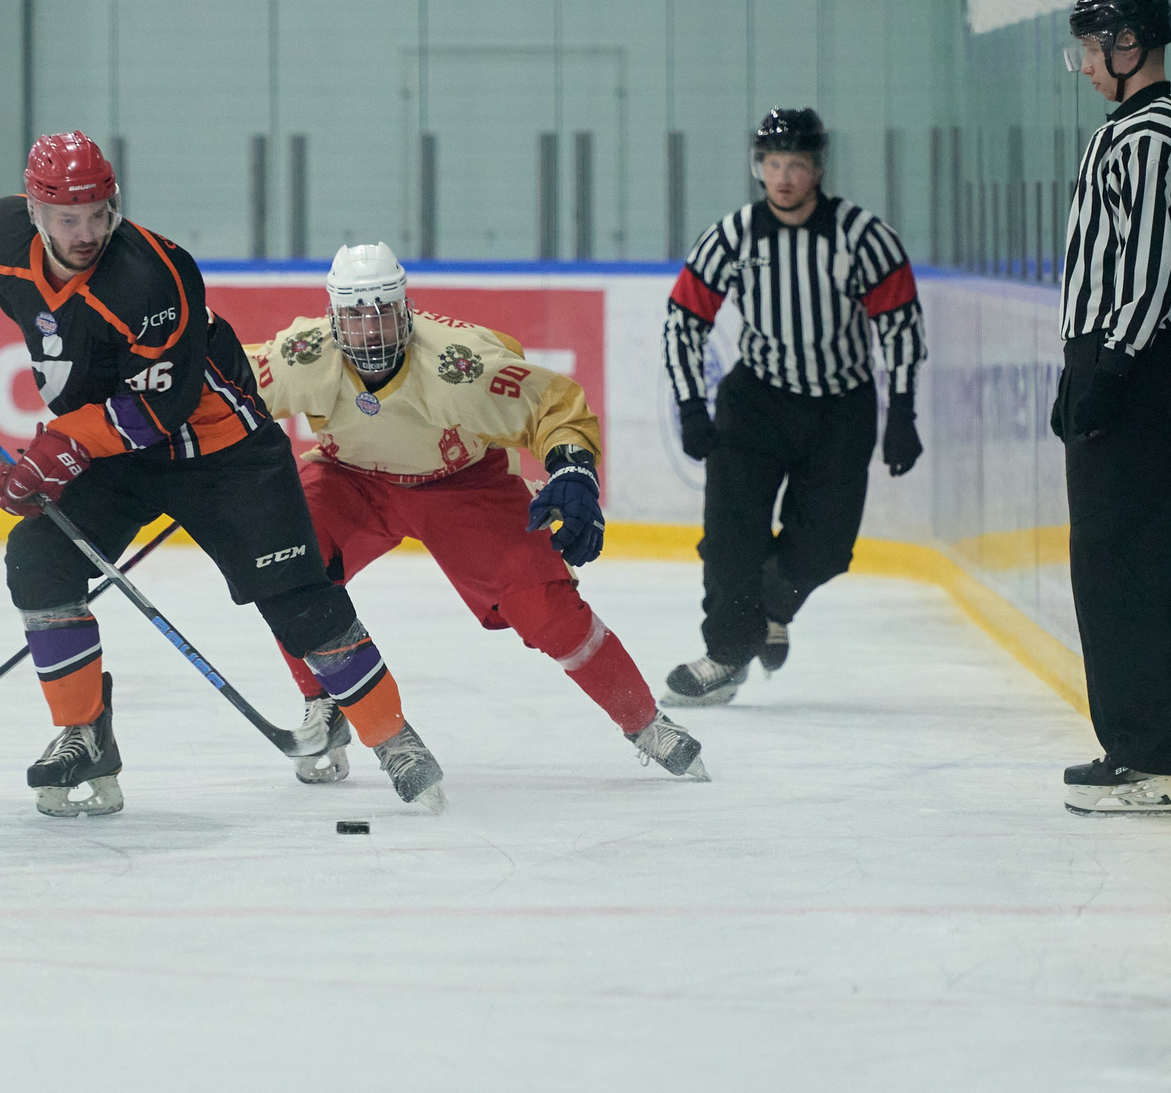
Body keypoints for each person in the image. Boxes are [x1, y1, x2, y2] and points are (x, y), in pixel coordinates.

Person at [0, 134, 447, 814]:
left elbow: (159, 405)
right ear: (35, 211)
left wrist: (61, 444)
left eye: (99, 214)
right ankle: (84, 735)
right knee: (39, 560)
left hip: (222, 451)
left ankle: (395, 739)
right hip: (114, 455)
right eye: (68, 218)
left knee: (298, 600)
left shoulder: (152, 275)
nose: (87, 232)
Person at [247, 242, 708, 783]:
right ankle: (323, 700)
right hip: (349, 479)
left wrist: (574, 468)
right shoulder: (302, 354)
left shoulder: (458, 364)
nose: (370, 331)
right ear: (333, 317)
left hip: (461, 485)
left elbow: (549, 403)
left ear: (405, 309)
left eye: (383, 314)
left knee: (546, 608)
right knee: (283, 559)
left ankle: (645, 722)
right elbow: (221, 385)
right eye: (355, 317)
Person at [658, 107, 926, 706]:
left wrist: (904, 408)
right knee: (730, 538)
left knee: (825, 547)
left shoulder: (863, 237)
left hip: (841, 409)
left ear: (818, 169)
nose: (783, 177)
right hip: (755, 402)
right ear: (758, 167)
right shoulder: (733, 236)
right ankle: (726, 656)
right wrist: (690, 405)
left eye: (796, 165)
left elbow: (901, 324)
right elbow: (683, 321)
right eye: (773, 164)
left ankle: (772, 608)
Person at [1051, 0, 1171, 816]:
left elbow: (1148, 272)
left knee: (1126, 561)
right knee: (1105, 559)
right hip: (1117, 355)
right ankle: (1134, 744)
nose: (1085, 64)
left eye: (1091, 48)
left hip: (1137, 360)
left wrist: (1110, 371)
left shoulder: (1155, 134)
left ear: (1128, 45)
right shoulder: (1133, 128)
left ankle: (1154, 756)